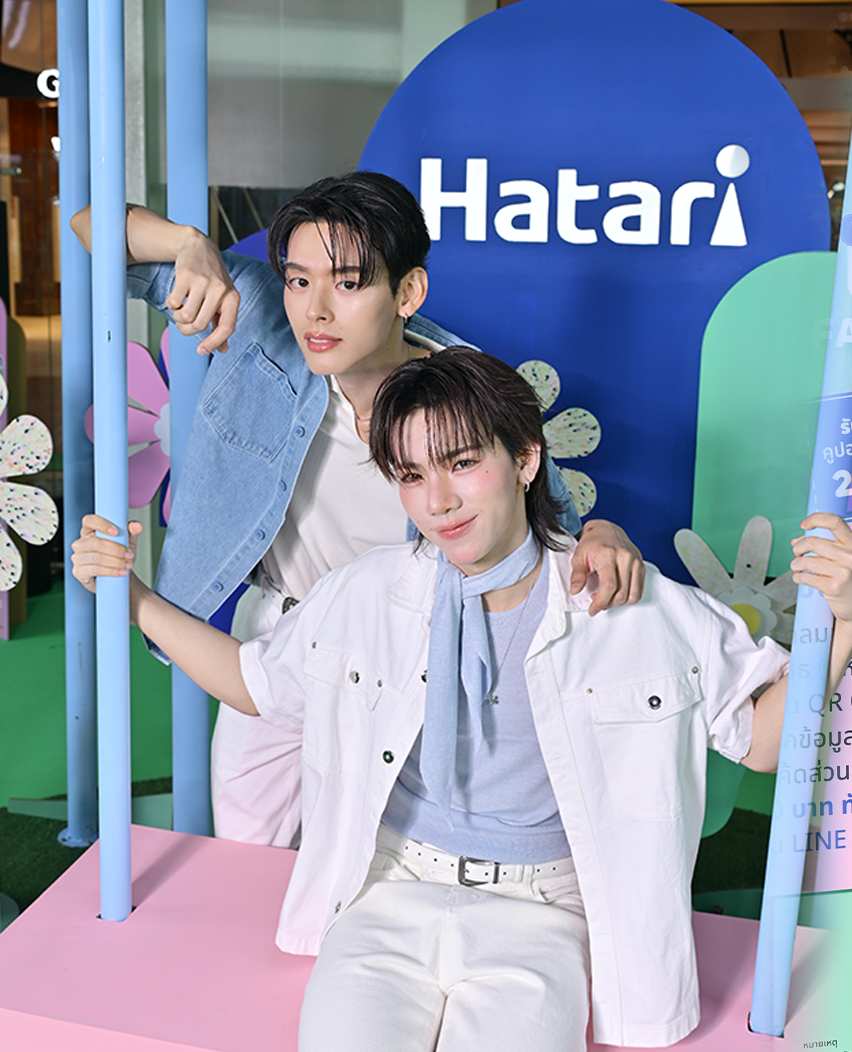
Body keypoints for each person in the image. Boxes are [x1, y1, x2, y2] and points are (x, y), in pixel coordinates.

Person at [70, 346, 852, 1052]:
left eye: (462, 464)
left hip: (544, 913)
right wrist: (134, 599)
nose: (439, 500)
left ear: (524, 458)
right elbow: (258, 684)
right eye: (412, 475)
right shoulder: (369, 591)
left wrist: (844, 625)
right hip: (389, 891)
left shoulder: (632, 602)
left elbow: (763, 741)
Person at [75, 174, 646, 844]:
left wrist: (605, 530)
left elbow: (553, 522)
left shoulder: (468, 392)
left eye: (348, 283)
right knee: (246, 859)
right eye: (298, 280)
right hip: (274, 647)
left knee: (380, 867)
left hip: (400, 660)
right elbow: (87, 226)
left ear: (408, 292)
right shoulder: (254, 310)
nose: (315, 311)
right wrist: (189, 244)